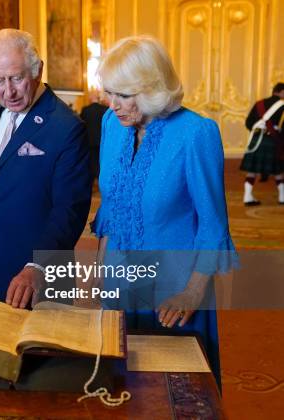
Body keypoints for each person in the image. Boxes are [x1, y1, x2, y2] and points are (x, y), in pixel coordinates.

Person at [93, 35, 237, 387]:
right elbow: (110, 206)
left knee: (174, 392)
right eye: (110, 92)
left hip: (173, 290)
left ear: (153, 89)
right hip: (119, 281)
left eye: (124, 95)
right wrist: (100, 274)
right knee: (119, 386)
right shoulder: (112, 125)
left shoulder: (196, 133)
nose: (113, 104)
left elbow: (213, 224)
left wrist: (192, 292)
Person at [0, 29, 91, 308]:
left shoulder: (67, 127)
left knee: (43, 352)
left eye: (16, 78)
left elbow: (70, 210)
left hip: (38, 277)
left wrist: (37, 267)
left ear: (38, 71)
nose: (8, 91)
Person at [239, 83, 284, 205]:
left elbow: (248, 123)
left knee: (252, 170)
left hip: (256, 140)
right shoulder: (283, 106)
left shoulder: (259, 104)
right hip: (273, 141)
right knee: (278, 170)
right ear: (281, 92)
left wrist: (258, 130)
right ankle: (282, 197)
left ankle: (247, 197)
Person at [80, 90, 109, 179]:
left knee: (92, 162)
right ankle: (102, 178)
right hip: (103, 140)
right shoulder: (104, 109)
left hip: (90, 140)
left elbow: (81, 125)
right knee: (102, 161)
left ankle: (94, 180)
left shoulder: (85, 110)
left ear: (90, 98)